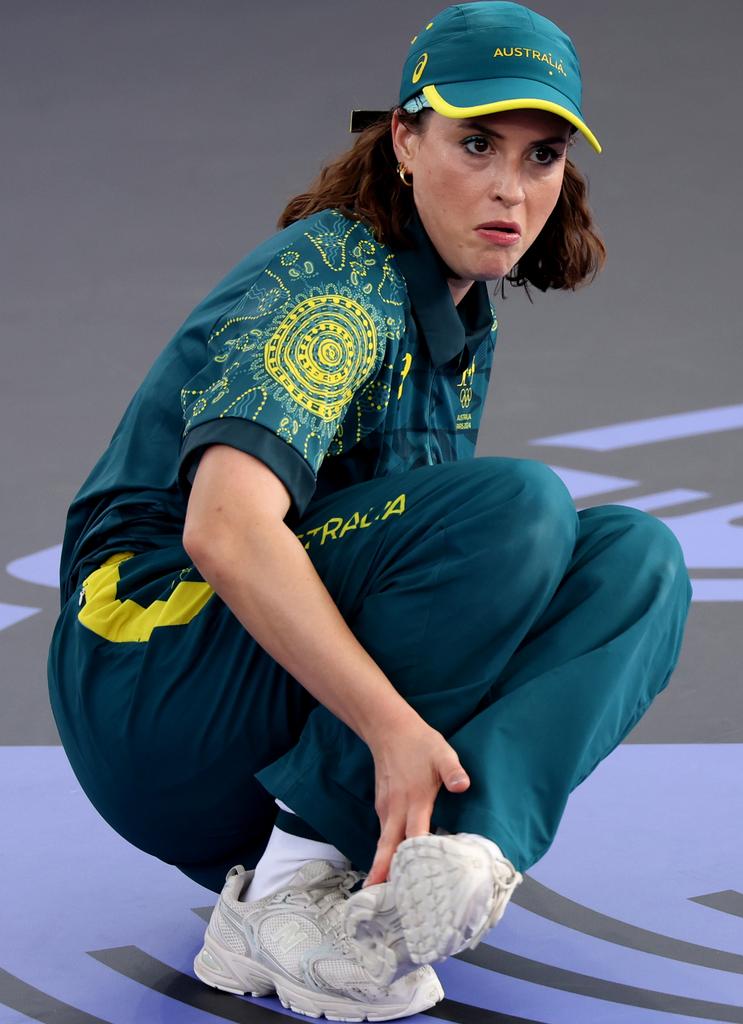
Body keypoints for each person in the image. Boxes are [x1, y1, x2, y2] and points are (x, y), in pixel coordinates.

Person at [47, 1, 693, 1020]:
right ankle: (298, 874)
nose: (509, 189)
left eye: (541, 156)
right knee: (514, 509)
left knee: (637, 558)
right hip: (150, 681)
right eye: (475, 142)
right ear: (402, 136)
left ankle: (458, 858)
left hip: (252, 702)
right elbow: (224, 528)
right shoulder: (338, 283)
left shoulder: (453, 297)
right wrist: (389, 728)